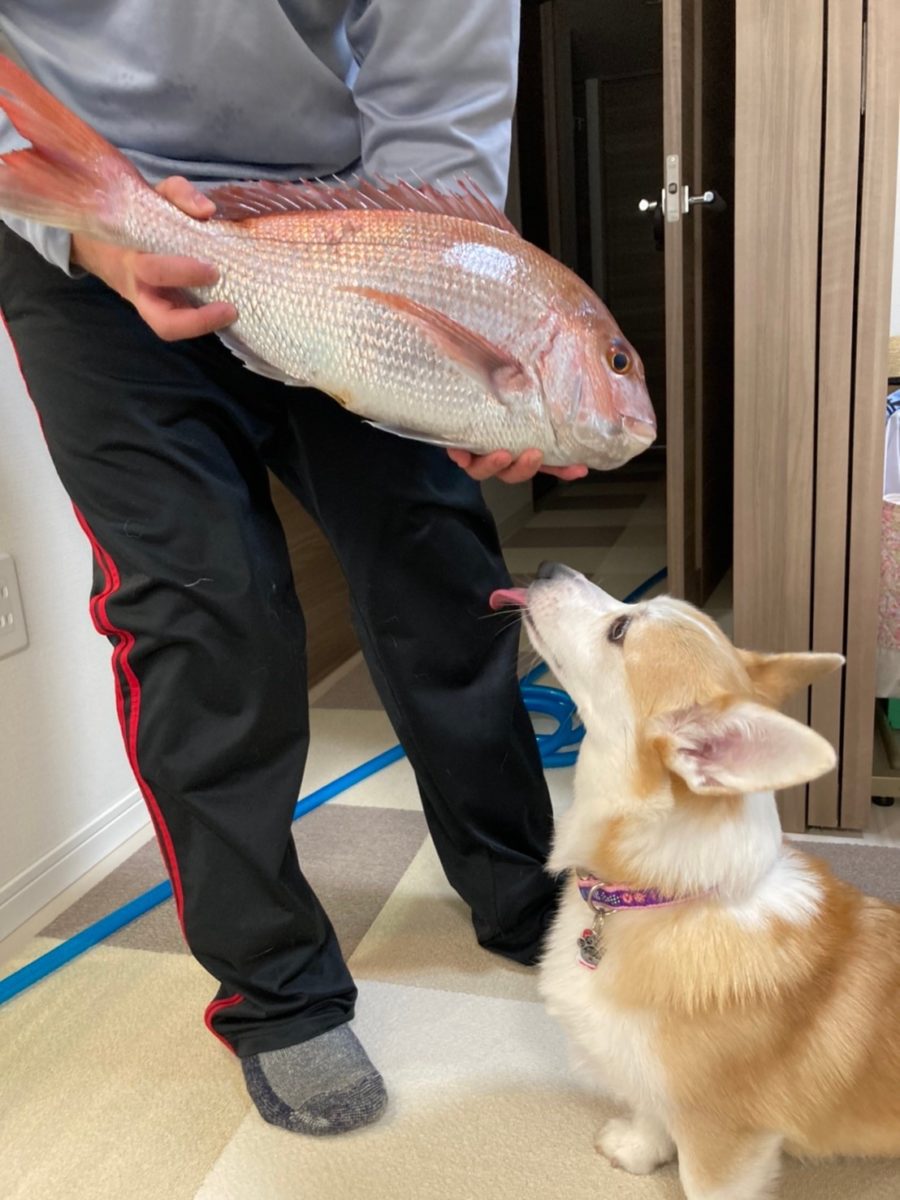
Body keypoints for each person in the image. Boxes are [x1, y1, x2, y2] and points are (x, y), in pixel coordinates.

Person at [0, 2, 586, 1136]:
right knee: (203, 613)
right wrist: (100, 235)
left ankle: (520, 889)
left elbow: (440, 80)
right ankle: (278, 992)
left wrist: (464, 331)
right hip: (91, 235)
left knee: (440, 577)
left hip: (355, 208)